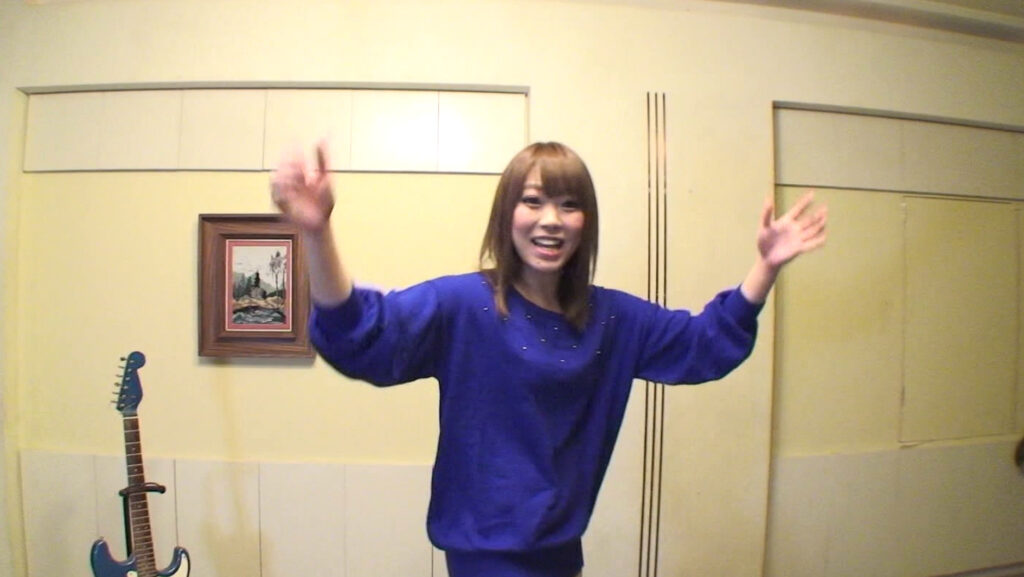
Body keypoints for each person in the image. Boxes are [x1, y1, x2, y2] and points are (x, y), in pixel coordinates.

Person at [270, 141, 827, 577]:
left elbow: (703, 345)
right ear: (507, 214)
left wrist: (766, 268)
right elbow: (362, 337)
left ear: (587, 222)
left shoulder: (614, 319)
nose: (551, 219)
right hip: (483, 557)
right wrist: (316, 233)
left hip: (562, 554)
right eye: (533, 201)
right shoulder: (464, 305)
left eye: (569, 204)